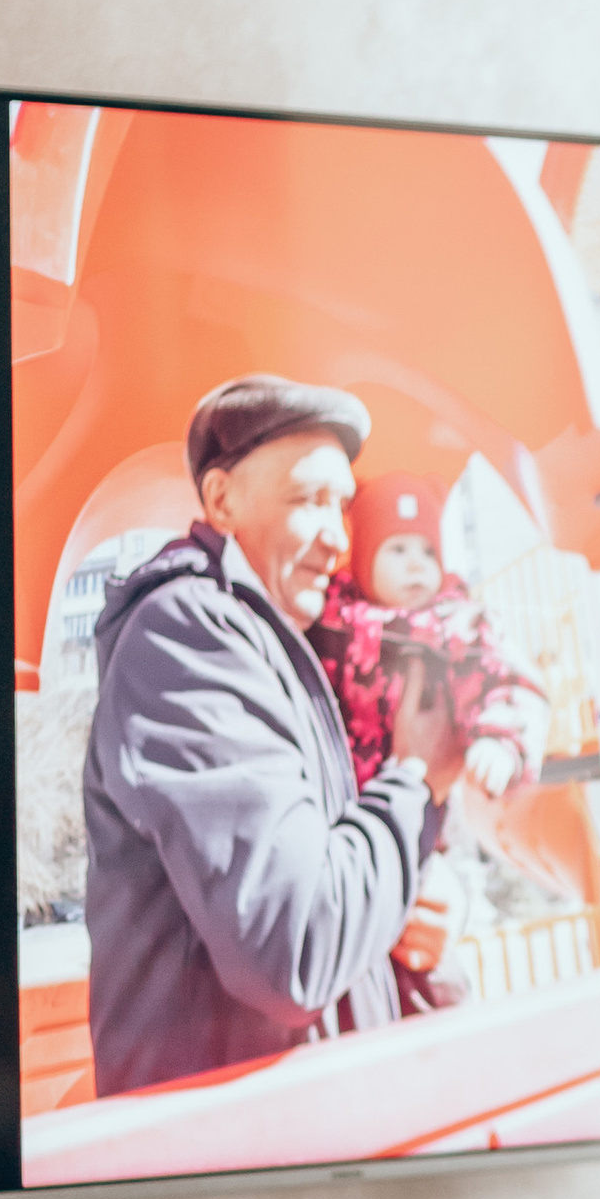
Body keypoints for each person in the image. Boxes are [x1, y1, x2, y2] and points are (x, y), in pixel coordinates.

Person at [82, 376, 458, 1095]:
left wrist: (425, 933)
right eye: (309, 499)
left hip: (304, 1145)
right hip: (222, 1170)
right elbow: (298, 947)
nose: (339, 539)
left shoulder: (281, 654)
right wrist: (412, 783)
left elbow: (337, 908)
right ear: (221, 501)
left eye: (343, 506)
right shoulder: (187, 635)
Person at [309, 468, 548, 836]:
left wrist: (500, 742)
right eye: (397, 549)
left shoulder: (457, 626)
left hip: (419, 809)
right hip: (336, 798)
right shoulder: (332, 620)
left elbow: (506, 681)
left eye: (427, 551)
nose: (416, 563)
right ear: (362, 563)